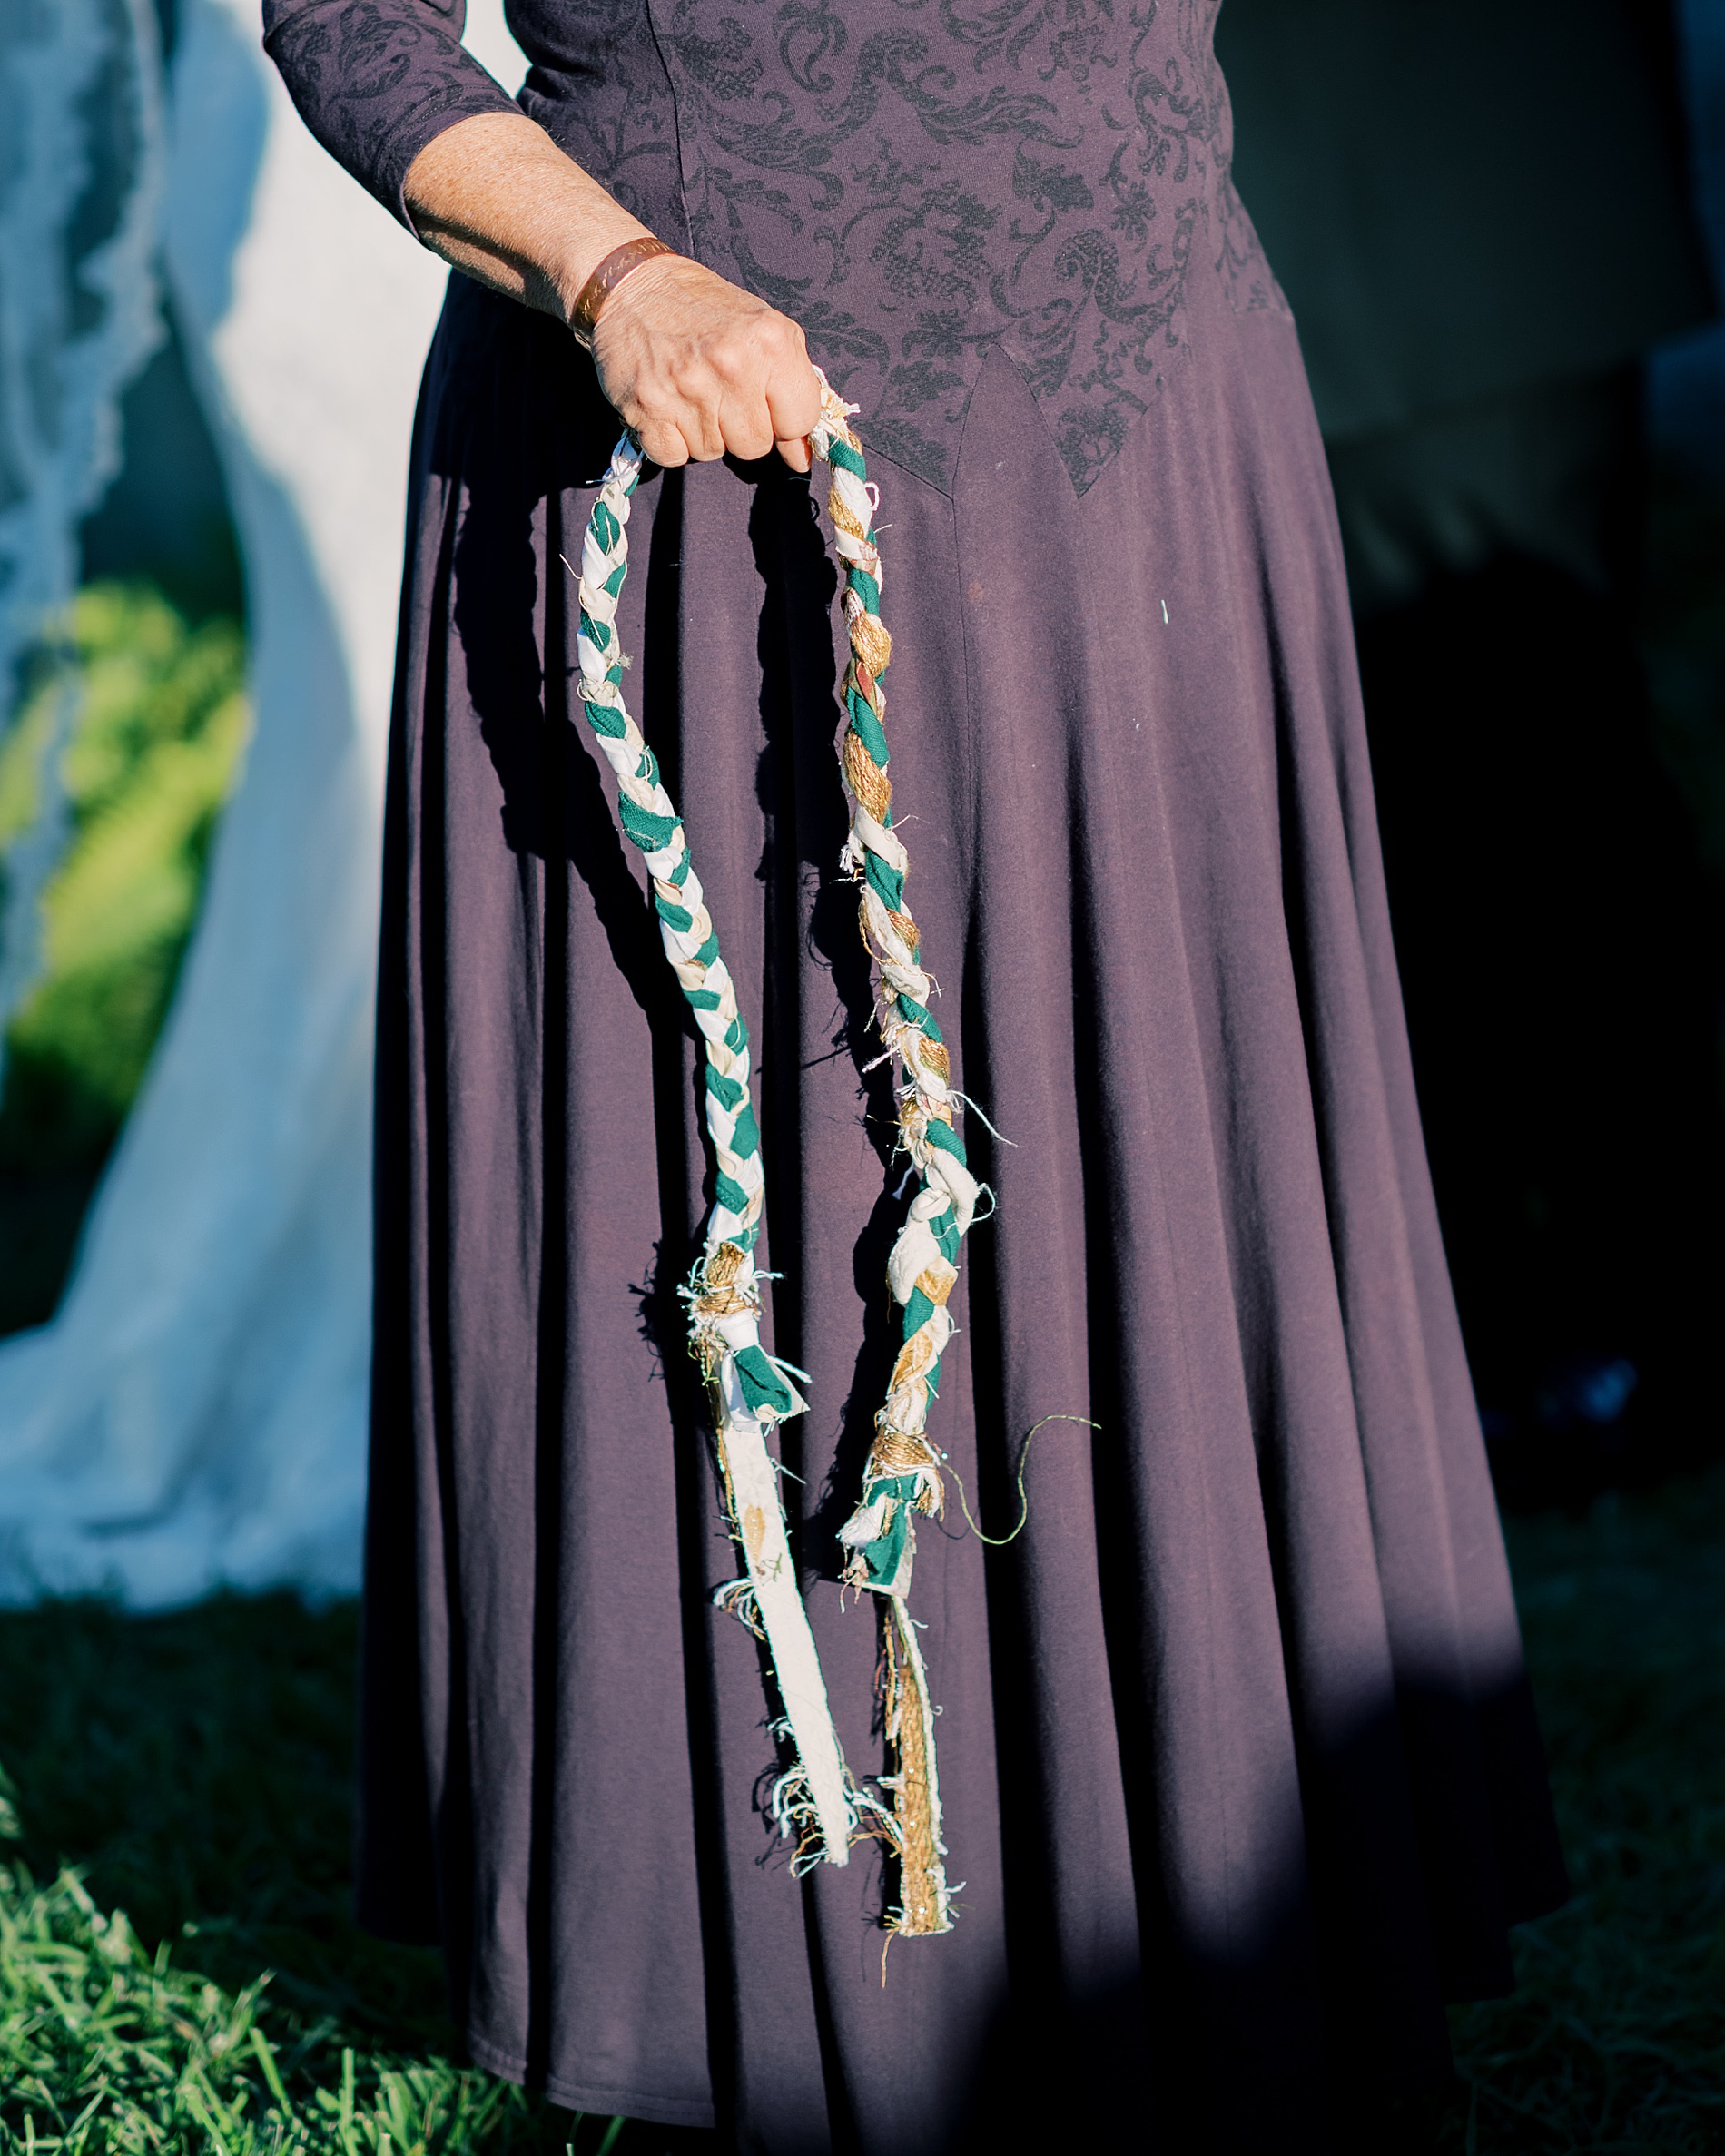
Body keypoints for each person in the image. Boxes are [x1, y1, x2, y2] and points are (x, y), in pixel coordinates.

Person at [262, 4, 1566, 2148]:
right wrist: (613, 276)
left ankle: (1238, 1912)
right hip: (700, 433)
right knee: (786, 1188)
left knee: (1152, 1166)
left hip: (1131, 412)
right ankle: (803, 1960)